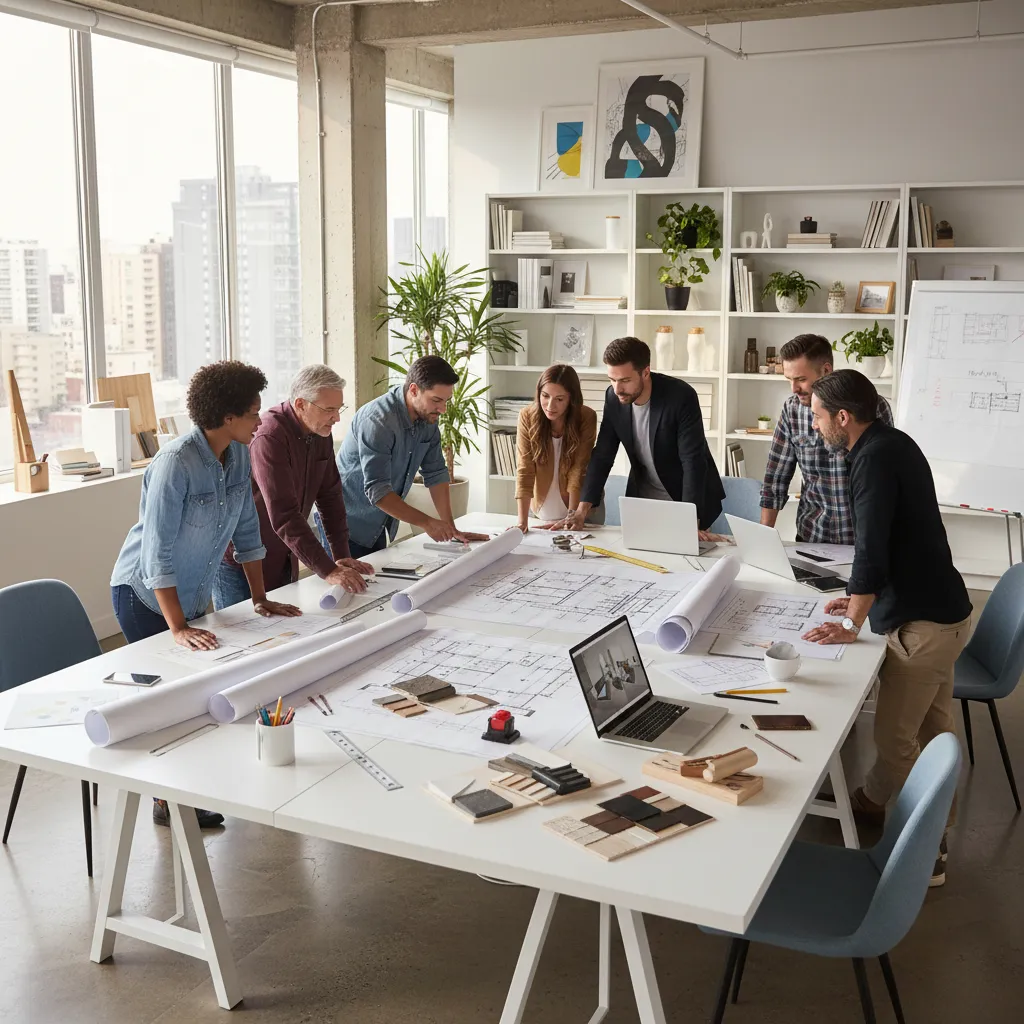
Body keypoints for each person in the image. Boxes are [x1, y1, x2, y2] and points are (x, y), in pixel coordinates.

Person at [110, 361, 301, 830]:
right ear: (226, 416)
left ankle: (181, 791)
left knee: (196, 693)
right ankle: (167, 801)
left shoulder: (237, 456)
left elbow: (248, 531)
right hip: (144, 597)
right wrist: (177, 627)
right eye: (253, 412)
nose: (260, 421)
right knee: (169, 701)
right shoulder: (175, 463)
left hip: (191, 596)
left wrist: (259, 598)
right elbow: (156, 554)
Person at [800, 370, 972, 887]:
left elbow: (871, 547)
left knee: (896, 740)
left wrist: (853, 619)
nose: (814, 425)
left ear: (843, 417)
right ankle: (898, 817)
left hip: (923, 628)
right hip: (946, 612)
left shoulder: (871, 459)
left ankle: (921, 847)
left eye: (817, 415)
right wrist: (853, 599)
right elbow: (887, 544)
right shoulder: (893, 442)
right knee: (934, 731)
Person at [212, 365, 373, 610]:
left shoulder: (321, 431)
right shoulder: (270, 436)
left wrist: (341, 555)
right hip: (240, 564)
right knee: (246, 642)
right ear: (300, 404)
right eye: (329, 409)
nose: (337, 418)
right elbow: (284, 515)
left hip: (284, 557)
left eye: (339, 409)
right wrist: (328, 570)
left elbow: (330, 496)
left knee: (282, 635)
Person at [562, 336, 724, 532]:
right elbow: (603, 455)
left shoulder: (680, 397)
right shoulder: (613, 397)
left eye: (625, 380)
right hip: (643, 502)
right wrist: (581, 510)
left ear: (645, 372)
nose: (617, 389)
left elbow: (693, 461)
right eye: (612, 380)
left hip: (685, 499)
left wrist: (692, 523)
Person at [337, 355, 488, 557]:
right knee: (347, 586)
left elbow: (436, 473)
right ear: (414, 390)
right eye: (436, 400)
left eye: (446, 401)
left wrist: (451, 528)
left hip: (376, 524)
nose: (442, 409)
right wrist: (427, 523)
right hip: (344, 523)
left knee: (372, 585)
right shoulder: (377, 422)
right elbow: (378, 491)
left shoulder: (429, 419)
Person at [760, 333, 893, 543]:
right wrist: (762, 539)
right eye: (789, 380)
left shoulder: (873, 407)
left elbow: (884, 481)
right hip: (812, 537)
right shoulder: (792, 410)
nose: (794, 389)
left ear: (826, 370)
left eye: (801, 379)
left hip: (861, 541)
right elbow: (775, 479)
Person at [515, 364, 598, 532]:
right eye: (545, 396)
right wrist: (522, 522)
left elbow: (579, 469)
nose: (550, 406)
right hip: (539, 512)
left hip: (581, 513)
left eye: (559, 399)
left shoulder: (586, 417)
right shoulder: (527, 417)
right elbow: (525, 469)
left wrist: (572, 517)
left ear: (571, 399)